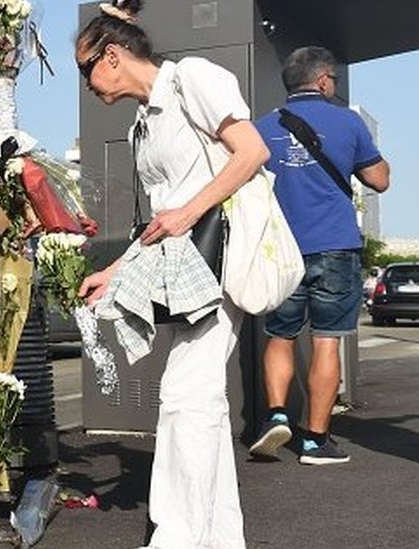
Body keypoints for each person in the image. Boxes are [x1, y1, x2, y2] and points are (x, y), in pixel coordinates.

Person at [74, 2, 270, 547]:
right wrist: (114, 270)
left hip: (220, 258)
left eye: (85, 67)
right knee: (198, 398)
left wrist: (189, 212)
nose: (86, 82)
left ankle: (179, 536)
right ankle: (216, 537)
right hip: (181, 269)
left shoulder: (195, 79)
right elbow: (158, 219)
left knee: (187, 394)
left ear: (112, 56)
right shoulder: (142, 122)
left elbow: (252, 151)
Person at [251, 46, 390, 465]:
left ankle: (276, 415)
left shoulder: (262, 128)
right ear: (325, 79)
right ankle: (315, 441)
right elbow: (379, 180)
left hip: (281, 249)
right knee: (326, 341)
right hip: (334, 245)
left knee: (280, 335)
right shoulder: (347, 122)